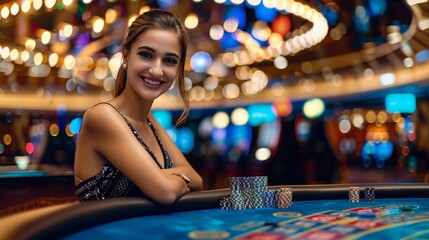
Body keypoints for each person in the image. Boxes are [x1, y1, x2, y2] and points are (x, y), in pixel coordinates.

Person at [74, 9, 203, 204]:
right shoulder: (102, 116)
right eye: (146, 55)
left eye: (169, 61)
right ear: (125, 55)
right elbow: (165, 193)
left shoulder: (148, 120)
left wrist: (165, 180)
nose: (157, 70)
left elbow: (197, 180)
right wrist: (171, 180)